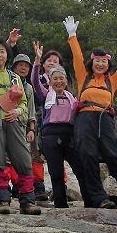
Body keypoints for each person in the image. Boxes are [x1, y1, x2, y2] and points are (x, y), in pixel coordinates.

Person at [66, 16, 117, 210]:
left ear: (108, 64)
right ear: (92, 62)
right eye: (97, 61)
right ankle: (100, 198)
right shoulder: (84, 77)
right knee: (89, 156)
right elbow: (77, 57)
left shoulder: (112, 81)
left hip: (105, 119)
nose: (100, 64)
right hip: (85, 119)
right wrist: (72, 35)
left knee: (113, 156)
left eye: (104, 61)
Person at [0, 38, 41, 215]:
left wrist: (18, 111)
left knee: (23, 159)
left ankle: (27, 201)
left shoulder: (14, 77)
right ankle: (3, 200)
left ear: (7, 55)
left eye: (2, 51)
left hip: (13, 121)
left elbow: (24, 102)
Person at [31, 58, 81, 208]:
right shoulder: (46, 95)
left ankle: (90, 199)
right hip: (51, 135)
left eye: (61, 78)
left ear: (66, 80)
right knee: (56, 172)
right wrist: (37, 63)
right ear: (50, 81)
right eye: (55, 79)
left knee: (80, 168)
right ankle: (60, 204)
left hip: (69, 134)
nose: (59, 81)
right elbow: (34, 81)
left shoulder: (72, 98)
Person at [3, 53, 44, 203]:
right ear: (14, 67)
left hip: (23, 126)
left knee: (25, 157)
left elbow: (31, 110)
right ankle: (7, 189)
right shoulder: (6, 83)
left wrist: (31, 129)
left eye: (26, 66)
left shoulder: (28, 87)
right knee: (6, 158)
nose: (23, 68)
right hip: (6, 124)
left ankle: (24, 188)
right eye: (20, 65)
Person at [29, 42, 67, 201]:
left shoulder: (63, 85)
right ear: (43, 64)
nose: (52, 63)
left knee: (59, 155)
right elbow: (33, 80)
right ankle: (39, 187)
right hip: (39, 119)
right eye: (49, 60)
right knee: (36, 154)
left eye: (55, 61)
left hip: (59, 125)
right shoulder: (38, 80)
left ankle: (62, 188)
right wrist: (36, 60)